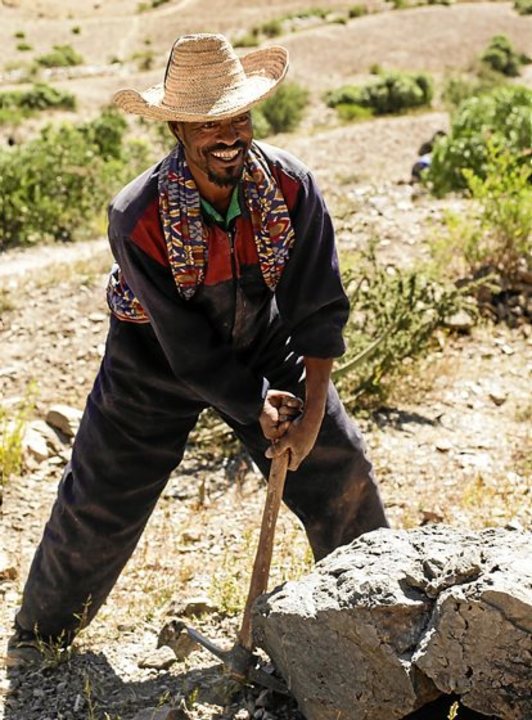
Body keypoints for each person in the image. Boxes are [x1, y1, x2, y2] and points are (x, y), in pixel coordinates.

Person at [7, 33, 389, 667]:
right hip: (151, 360)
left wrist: (312, 410)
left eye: (238, 117)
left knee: (339, 466)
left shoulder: (290, 187)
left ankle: (381, 617)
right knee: (101, 497)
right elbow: (184, 345)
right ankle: (40, 634)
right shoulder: (137, 215)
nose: (228, 135)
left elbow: (318, 308)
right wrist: (253, 402)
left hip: (262, 339)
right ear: (178, 128)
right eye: (209, 123)